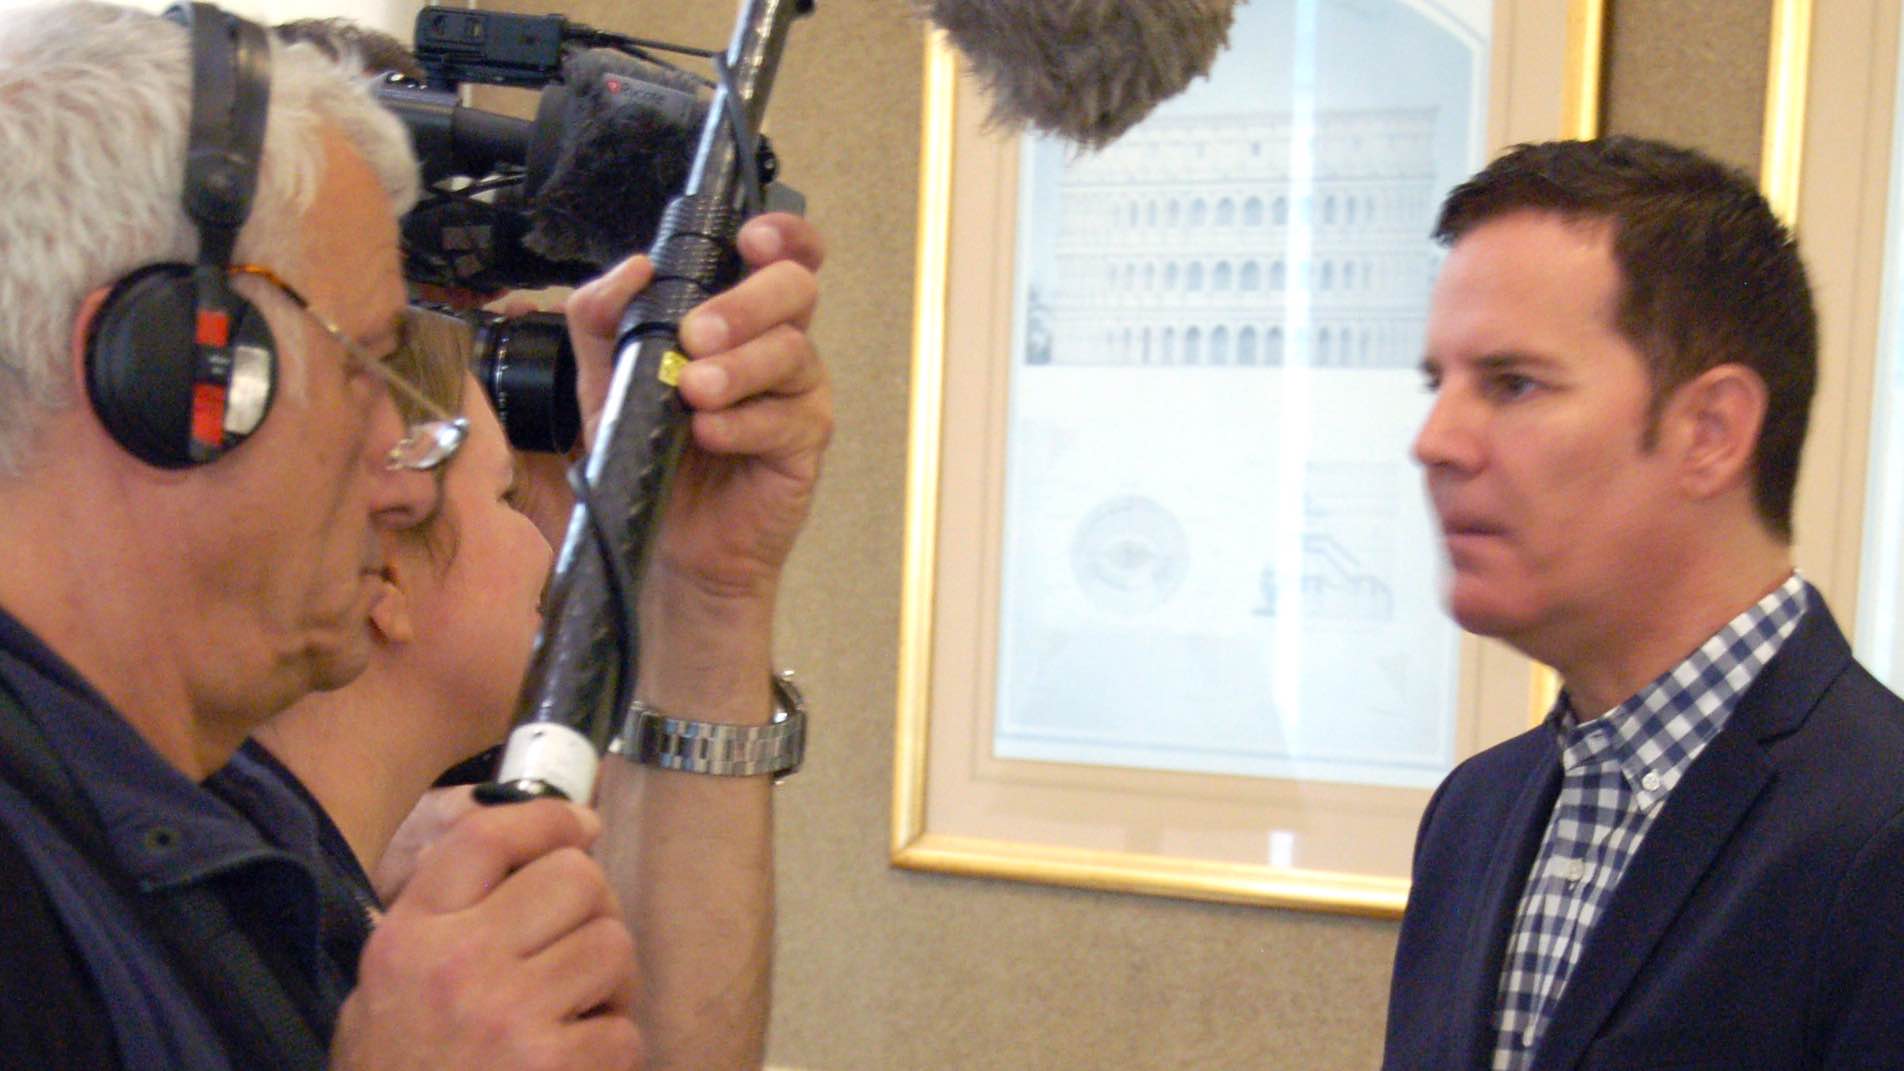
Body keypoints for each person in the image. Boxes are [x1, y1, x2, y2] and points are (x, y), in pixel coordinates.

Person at [0, 4, 828, 1070]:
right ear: (162, 370)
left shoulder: (246, 838)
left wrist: (704, 592)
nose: (402, 481)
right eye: (362, 366)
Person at [1383, 136, 1904, 1069]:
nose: (1436, 439)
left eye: (1513, 383)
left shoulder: (1879, 832)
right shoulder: (1472, 814)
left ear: (1711, 431)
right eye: (1437, 383)